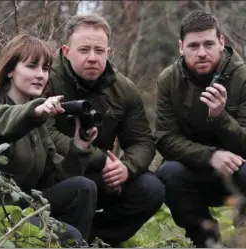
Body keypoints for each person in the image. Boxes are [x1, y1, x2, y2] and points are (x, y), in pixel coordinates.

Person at [154, 10, 246, 248]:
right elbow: (165, 139)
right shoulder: (168, 80)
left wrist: (219, 117)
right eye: (193, 46)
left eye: (208, 44)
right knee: (167, 174)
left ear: (221, 43)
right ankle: (206, 240)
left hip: (243, 165)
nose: (201, 52)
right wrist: (211, 156)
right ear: (181, 47)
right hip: (198, 169)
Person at [0, 34, 99, 247]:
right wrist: (35, 111)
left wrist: (80, 145)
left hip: (26, 205)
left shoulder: (38, 125)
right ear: (9, 70)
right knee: (70, 236)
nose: (40, 75)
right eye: (31, 66)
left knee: (83, 187)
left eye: (45, 69)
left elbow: (53, 181)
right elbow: (3, 122)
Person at [45, 14, 165, 246]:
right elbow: (47, 135)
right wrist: (102, 160)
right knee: (81, 187)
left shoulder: (123, 89)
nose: (92, 58)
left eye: (99, 51)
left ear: (108, 53)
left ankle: (95, 239)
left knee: (152, 188)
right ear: (66, 51)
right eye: (84, 50)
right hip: (53, 174)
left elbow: (143, 141)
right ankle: (56, 234)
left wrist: (126, 168)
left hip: (99, 175)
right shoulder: (46, 78)